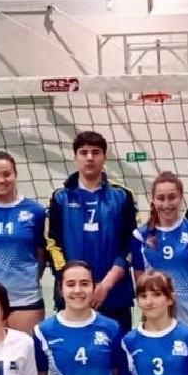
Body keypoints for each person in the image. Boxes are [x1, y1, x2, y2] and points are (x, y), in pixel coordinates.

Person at [45, 130, 138, 333]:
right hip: (72, 295)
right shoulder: (60, 197)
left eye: (96, 152)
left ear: (104, 157)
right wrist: (74, 284)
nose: (89, 158)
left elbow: (129, 246)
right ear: (75, 157)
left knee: (116, 360)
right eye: (83, 152)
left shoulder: (122, 196)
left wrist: (104, 286)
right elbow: (53, 245)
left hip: (114, 295)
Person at [0, 151, 47, 334]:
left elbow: (41, 255)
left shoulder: (35, 211)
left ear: (15, 174)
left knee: (26, 357)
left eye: (6, 174)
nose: (1, 180)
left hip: (25, 299)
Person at [130, 171, 188, 328]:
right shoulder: (140, 236)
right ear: (152, 200)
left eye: (172, 197)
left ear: (181, 197)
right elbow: (141, 285)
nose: (167, 204)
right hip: (157, 319)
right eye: (161, 198)